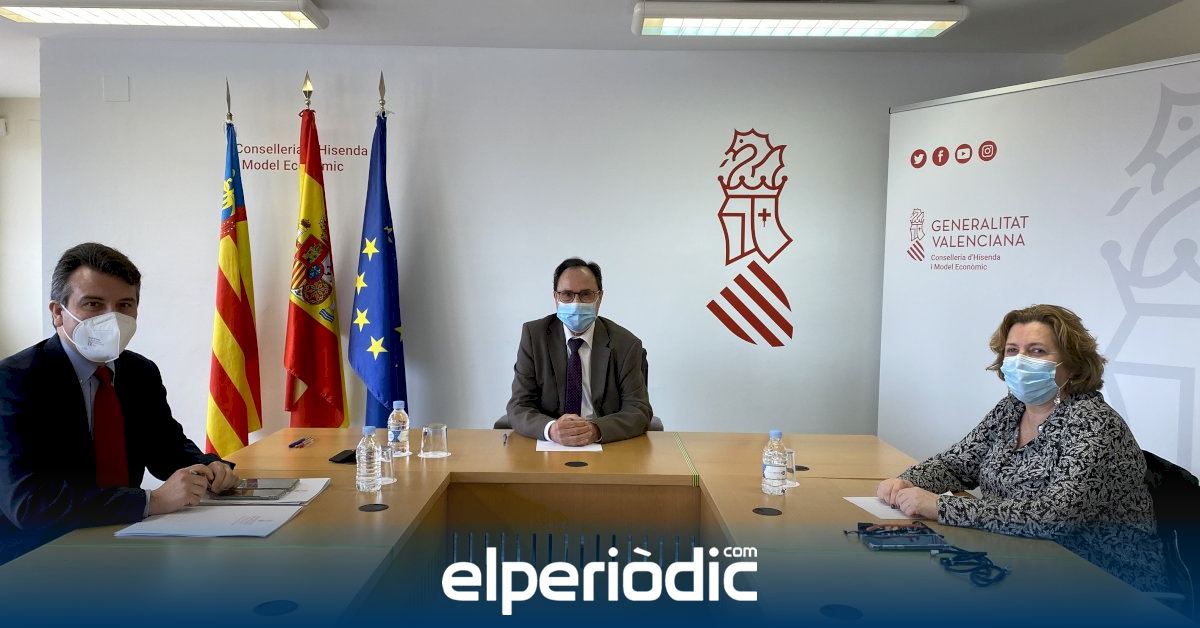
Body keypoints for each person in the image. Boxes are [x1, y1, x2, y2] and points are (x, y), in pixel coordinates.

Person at [876, 304, 1166, 591]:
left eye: (1037, 351)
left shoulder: (1094, 424)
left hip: (1101, 580)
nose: (1020, 360)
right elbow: (956, 465)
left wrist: (941, 506)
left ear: (1073, 363)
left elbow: (1053, 518)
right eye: (1012, 350)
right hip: (1019, 559)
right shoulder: (1012, 408)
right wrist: (908, 481)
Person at [0, 243, 239, 564]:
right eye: (93, 304)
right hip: (36, 555)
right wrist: (150, 501)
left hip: (125, 542)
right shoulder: (13, 380)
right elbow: (28, 503)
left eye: (125, 305)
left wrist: (209, 467)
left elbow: (166, 449)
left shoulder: (140, 371)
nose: (111, 318)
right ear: (58, 312)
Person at [503, 258, 652, 445]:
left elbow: (638, 410)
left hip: (604, 444)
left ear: (599, 297)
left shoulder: (626, 344)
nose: (576, 303)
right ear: (556, 297)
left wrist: (595, 430)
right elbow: (519, 405)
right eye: (567, 294)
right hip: (549, 444)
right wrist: (551, 429)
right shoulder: (534, 337)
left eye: (586, 294)